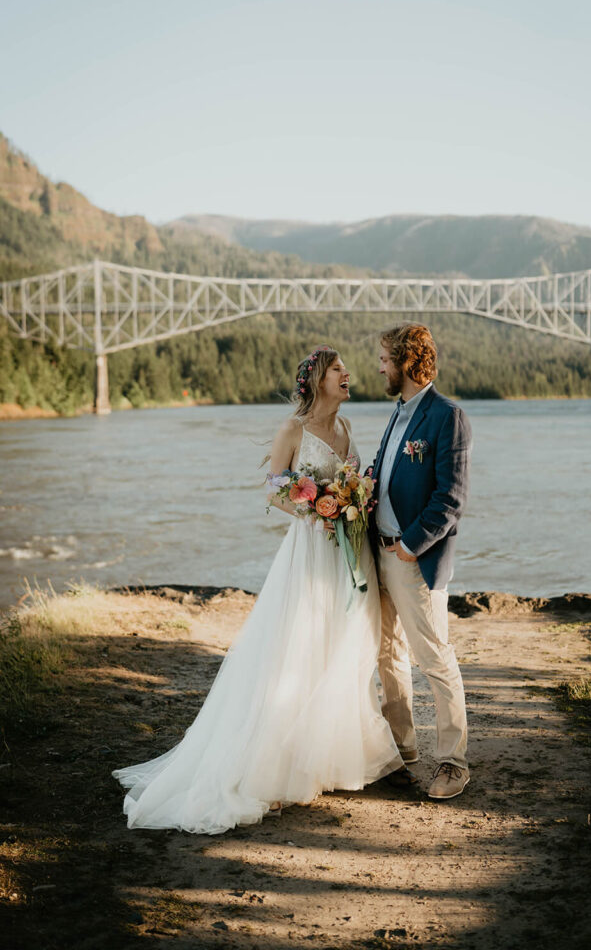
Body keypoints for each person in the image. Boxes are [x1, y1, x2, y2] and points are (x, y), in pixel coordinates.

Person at [112, 346, 402, 833]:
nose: (348, 374)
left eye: (347, 369)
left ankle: (323, 757)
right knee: (296, 645)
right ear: (317, 380)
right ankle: (275, 763)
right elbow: (273, 489)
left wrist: (351, 501)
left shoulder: (347, 429)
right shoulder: (292, 429)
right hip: (311, 547)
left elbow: (354, 480)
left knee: (340, 643)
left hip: (345, 549)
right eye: (338, 369)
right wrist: (317, 511)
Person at [369, 323, 472, 800]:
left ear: (409, 361)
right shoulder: (396, 414)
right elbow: (385, 476)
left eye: (387, 358)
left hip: (414, 558)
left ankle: (453, 762)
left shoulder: (447, 416)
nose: (381, 366)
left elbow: (450, 499)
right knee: (388, 657)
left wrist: (410, 546)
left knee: (434, 658)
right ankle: (402, 752)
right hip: (379, 552)